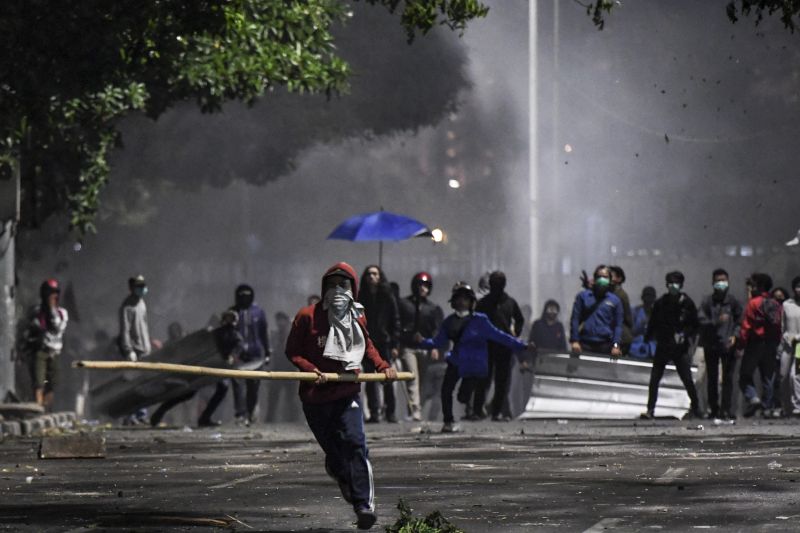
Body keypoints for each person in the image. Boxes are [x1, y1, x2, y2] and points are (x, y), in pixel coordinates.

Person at [285, 262, 397, 530]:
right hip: (315, 397)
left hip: (347, 393)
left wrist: (383, 366)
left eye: (343, 285)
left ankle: (364, 505)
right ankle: (341, 474)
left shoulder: (356, 317)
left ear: (353, 290)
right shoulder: (307, 316)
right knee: (336, 456)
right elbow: (293, 351)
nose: (337, 290)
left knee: (356, 444)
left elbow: (366, 345)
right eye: (332, 284)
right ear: (324, 288)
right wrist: (311, 370)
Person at [415, 282, 531, 433]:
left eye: (465, 299)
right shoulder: (449, 322)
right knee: (446, 390)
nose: (462, 302)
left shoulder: (480, 321)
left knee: (463, 397)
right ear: (453, 302)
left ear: (471, 302)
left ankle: (470, 409)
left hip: (474, 366)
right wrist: (421, 342)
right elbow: (438, 342)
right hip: (456, 361)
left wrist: (522, 345)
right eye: (459, 299)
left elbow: (501, 337)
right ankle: (448, 421)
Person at [641, 271, 702, 420]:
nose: (672, 286)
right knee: (654, 379)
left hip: (679, 349)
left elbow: (694, 325)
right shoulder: (661, 303)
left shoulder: (687, 303)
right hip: (663, 345)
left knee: (686, 378)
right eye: (670, 282)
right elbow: (653, 322)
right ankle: (650, 410)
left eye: (675, 282)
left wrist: (684, 335)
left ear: (681, 285)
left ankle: (696, 408)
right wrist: (648, 338)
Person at [473, 271, 525, 421]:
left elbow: (519, 319)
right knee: (484, 379)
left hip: (503, 346)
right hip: (487, 345)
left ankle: (496, 412)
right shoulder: (484, 303)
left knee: (501, 381)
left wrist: (516, 333)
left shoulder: (510, 302)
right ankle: (478, 410)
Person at [396, 272, 444, 421]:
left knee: (421, 380)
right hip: (408, 347)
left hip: (425, 348)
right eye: (420, 285)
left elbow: (436, 329)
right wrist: (398, 344)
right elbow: (397, 324)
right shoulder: (403, 304)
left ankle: (414, 409)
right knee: (413, 377)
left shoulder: (433, 308)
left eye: (425, 285)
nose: (422, 288)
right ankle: (415, 411)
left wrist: (435, 347)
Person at [697, 269, 743, 420]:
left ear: (728, 282)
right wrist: (716, 322)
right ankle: (714, 409)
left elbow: (739, 321)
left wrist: (735, 336)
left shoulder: (733, 302)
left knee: (728, 379)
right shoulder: (707, 301)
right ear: (713, 283)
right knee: (712, 378)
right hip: (711, 344)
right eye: (718, 281)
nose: (721, 284)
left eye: (723, 280)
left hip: (728, 345)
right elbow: (701, 320)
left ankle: (726, 409)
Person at [358, 265, 400, 423]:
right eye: (368, 274)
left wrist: (395, 344)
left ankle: (391, 412)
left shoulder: (387, 295)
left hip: (384, 342)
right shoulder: (361, 296)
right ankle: (375, 412)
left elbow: (395, 320)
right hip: (368, 342)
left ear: (380, 276)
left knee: (387, 376)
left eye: (375, 274)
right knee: (370, 377)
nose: (371, 276)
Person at [738, 273, 783, 418]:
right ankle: (767, 408)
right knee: (767, 377)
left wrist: (741, 344)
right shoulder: (775, 303)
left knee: (745, 375)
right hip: (771, 343)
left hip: (755, 343)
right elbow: (778, 326)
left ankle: (753, 398)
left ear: (759, 285)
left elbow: (746, 326)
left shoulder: (753, 302)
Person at [119, 275, 159, 425]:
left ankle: (141, 413)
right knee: (133, 385)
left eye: (143, 286)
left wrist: (149, 341)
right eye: (138, 286)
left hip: (145, 349)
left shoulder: (142, 303)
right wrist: (129, 350)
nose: (142, 289)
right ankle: (130, 415)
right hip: (134, 351)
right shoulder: (127, 306)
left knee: (145, 384)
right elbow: (125, 330)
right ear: (131, 288)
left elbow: (144, 326)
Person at [230, 284, 270, 426]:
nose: (244, 298)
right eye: (241, 295)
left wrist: (267, 352)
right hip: (238, 356)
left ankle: (250, 412)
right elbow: (226, 334)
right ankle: (240, 414)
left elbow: (263, 333)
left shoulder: (259, 312)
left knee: (253, 386)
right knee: (238, 386)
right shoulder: (232, 312)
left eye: (247, 295)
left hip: (256, 355)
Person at [25, 279, 69, 408]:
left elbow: (57, 327)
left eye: (54, 293)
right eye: (49, 293)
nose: (52, 296)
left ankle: (46, 408)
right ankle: (37, 407)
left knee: (52, 384)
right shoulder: (36, 311)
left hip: (54, 351)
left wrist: (51, 309)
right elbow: (29, 328)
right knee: (39, 382)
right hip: (41, 351)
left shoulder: (62, 313)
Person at [569, 265, 624, 357]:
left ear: (610, 280)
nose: (602, 279)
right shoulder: (583, 297)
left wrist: (616, 345)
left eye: (605, 277)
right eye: (599, 277)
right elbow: (575, 319)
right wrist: (575, 341)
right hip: (584, 344)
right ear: (594, 279)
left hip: (606, 345)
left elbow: (618, 325)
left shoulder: (615, 301)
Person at [779, 277, 800, 418]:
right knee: (783, 375)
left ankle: (797, 407)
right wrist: (786, 337)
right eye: (798, 286)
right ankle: (785, 407)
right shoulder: (787, 305)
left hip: (799, 345)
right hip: (788, 345)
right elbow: (782, 325)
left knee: (796, 375)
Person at [609, 266, 634, 354]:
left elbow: (628, 317)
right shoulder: (611, 293)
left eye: (611, 275)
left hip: (622, 337)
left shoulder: (621, 295)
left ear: (619, 279)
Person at [629, 287, 657, 359]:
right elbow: (631, 331)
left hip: (651, 349)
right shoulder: (635, 311)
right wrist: (642, 325)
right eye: (647, 295)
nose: (648, 298)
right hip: (636, 347)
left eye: (651, 296)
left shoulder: (657, 314)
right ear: (642, 297)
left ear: (654, 298)